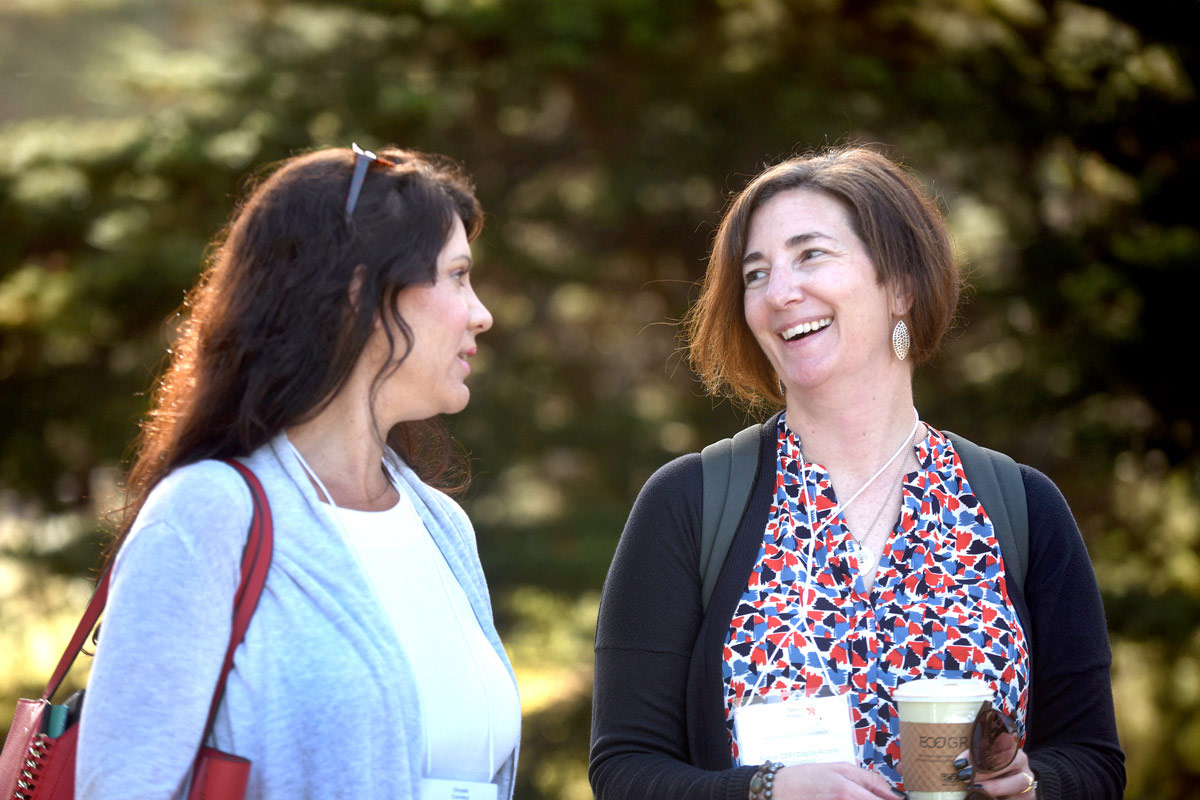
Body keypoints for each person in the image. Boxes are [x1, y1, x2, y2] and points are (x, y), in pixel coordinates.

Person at [590, 147, 1124, 800]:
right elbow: (624, 768)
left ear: (900, 283)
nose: (780, 293)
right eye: (755, 274)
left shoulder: (1023, 508)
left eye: (811, 255)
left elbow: (1095, 761)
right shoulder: (688, 506)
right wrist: (765, 792)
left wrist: (1030, 786)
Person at [76, 145, 520, 798]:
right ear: (361, 292)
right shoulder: (205, 514)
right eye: (457, 276)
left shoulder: (441, 526)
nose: (480, 312)